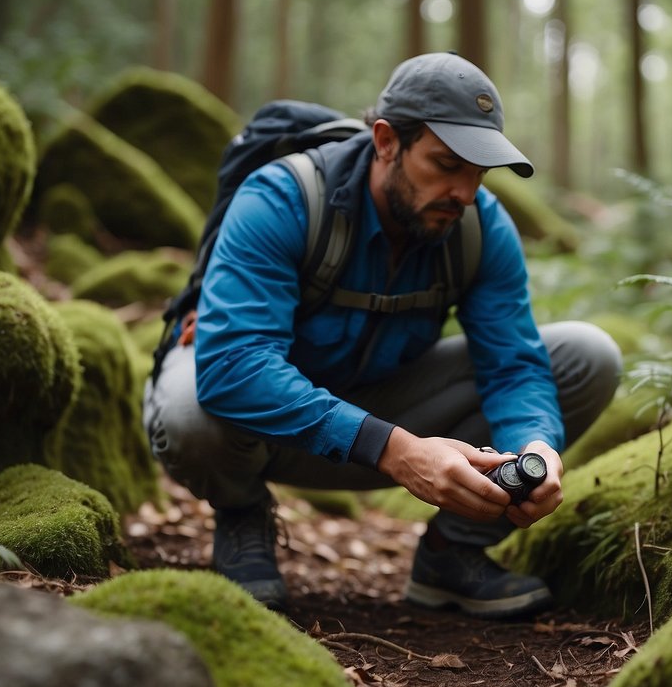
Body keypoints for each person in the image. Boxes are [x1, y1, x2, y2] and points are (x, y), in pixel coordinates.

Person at [144, 52, 622, 619]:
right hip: (265, 427)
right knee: (190, 409)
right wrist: (395, 450)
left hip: (384, 407)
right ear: (387, 141)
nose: (464, 194)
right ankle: (241, 513)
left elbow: (513, 365)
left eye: (477, 173)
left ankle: (452, 554)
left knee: (589, 354)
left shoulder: (480, 226)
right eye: (446, 164)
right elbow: (235, 367)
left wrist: (537, 445)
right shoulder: (283, 198)